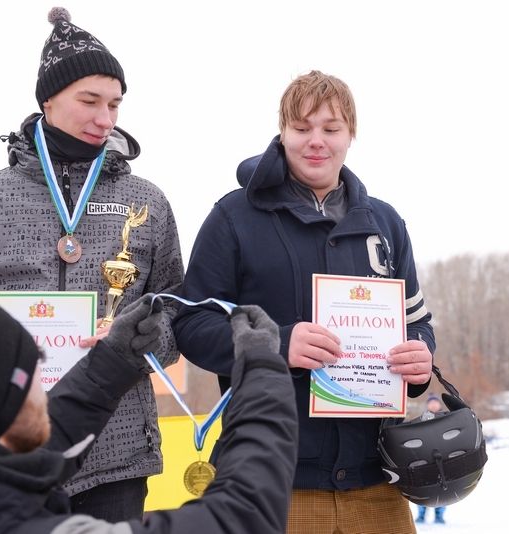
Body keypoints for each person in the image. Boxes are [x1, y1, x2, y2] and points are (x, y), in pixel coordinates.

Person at [0, 7, 184, 521]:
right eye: (89, 101)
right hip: (5, 451)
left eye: (114, 104)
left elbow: (176, 316)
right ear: (48, 98)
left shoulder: (147, 201)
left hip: (115, 452)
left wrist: (132, 345)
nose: (105, 119)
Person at [173, 70, 435, 533]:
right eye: (302, 128)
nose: (317, 141)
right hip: (272, 482)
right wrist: (276, 345)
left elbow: (417, 324)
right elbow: (191, 327)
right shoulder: (233, 217)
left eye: (331, 129)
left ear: (351, 134)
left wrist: (420, 360)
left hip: (375, 482)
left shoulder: (385, 223)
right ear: (283, 132)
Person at [0, 290, 298, 533]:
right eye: (33, 363)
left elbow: (40, 448)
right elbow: (243, 519)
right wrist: (262, 370)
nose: (44, 375)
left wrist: (113, 361)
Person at [414, 394, 448, 525]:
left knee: (443, 487)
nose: (433, 405)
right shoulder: (422, 419)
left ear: (439, 404)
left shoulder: (445, 417)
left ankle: (439, 515)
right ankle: (421, 515)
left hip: (442, 457)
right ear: (427, 405)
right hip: (425, 457)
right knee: (423, 487)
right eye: (431, 402)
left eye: (435, 402)